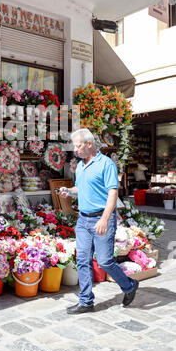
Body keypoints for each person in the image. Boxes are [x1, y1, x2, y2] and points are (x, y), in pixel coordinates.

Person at [59, 128, 139, 314]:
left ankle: (129, 285)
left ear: (89, 144)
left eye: (78, 146)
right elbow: (80, 188)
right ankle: (86, 301)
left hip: (101, 218)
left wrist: (104, 219)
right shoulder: (80, 165)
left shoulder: (106, 164)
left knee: (104, 261)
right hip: (83, 220)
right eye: (74, 146)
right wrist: (68, 191)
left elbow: (113, 193)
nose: (75, 150)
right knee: (82, 260)